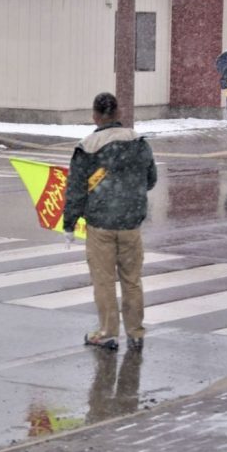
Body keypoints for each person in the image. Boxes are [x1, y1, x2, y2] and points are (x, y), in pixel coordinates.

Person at [62, 92, 158, 351]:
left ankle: (108, 332)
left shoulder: (88, 146)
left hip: (100, 224)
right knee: (132, 280)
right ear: (118, 113)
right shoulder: (138, 142)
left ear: (95, 115)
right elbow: (151, 179)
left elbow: (76, 189)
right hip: (131, 225)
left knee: (104, 281)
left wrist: (69, 224)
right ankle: (136, 332)